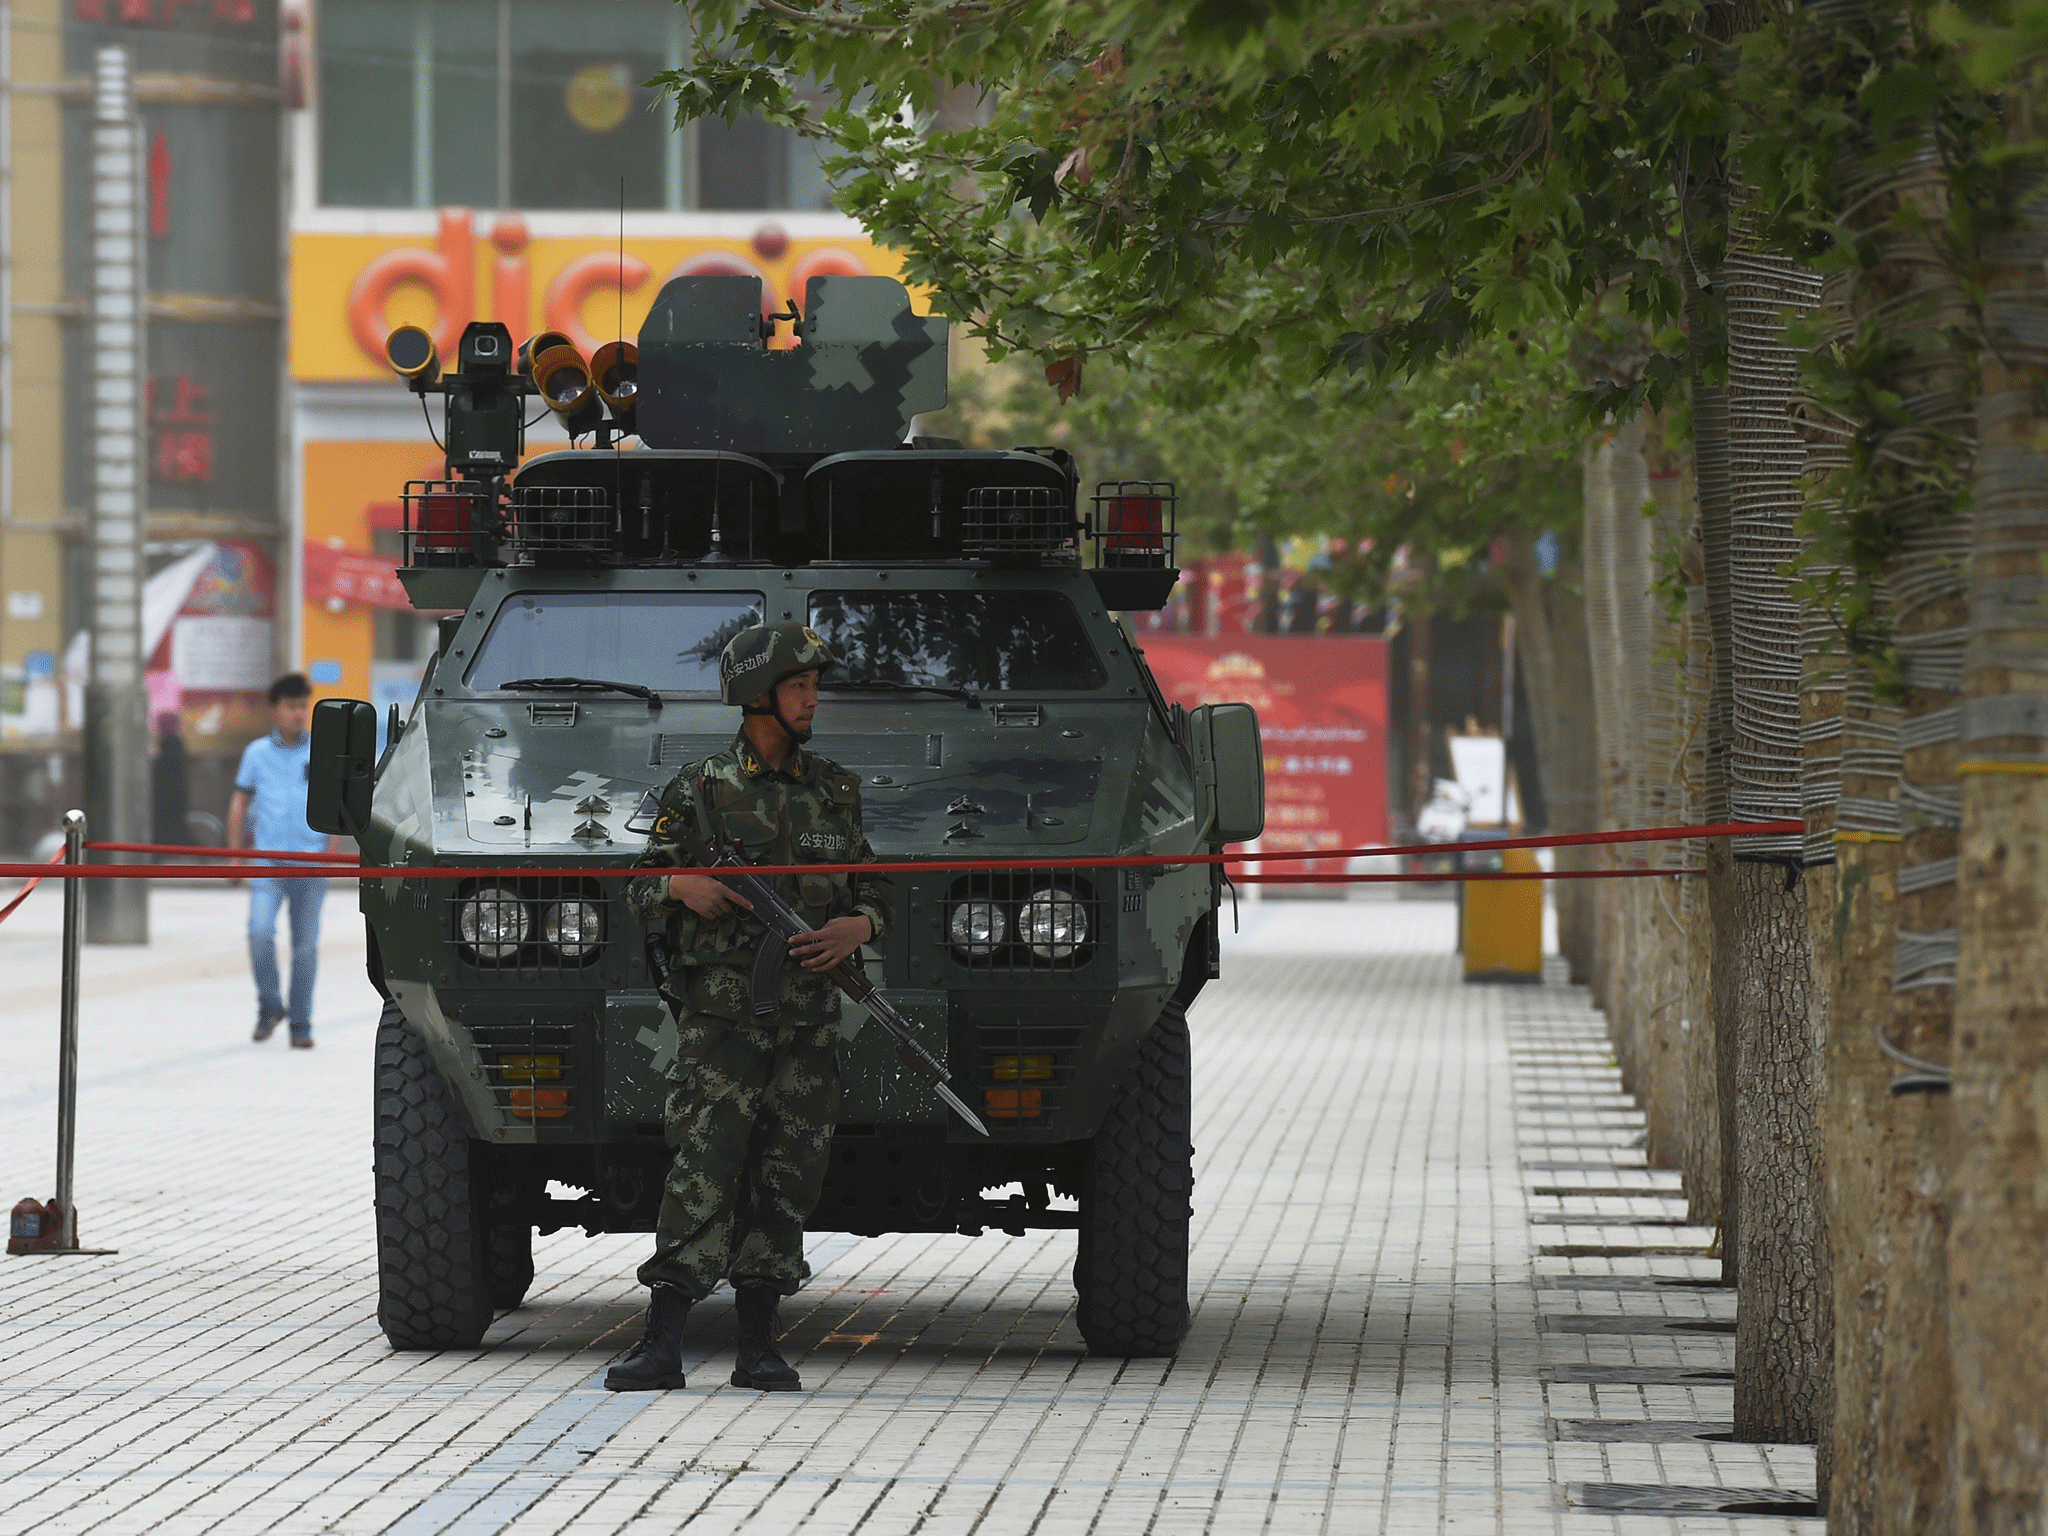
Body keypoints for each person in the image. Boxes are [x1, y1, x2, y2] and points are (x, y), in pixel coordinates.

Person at [606, 622, 891, 1394]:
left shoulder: (835, 790)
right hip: (722, 1023)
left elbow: (877, 886)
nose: (813, 699)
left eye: (813, 686)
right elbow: (635, 882)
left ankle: (759, 1346)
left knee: (787, 1174)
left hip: (808, 1024)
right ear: (757, 696)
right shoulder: (699, 790)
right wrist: (677, 887)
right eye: (800, 687)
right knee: (703, 1167)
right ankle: (662, 1342)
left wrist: (858, 926)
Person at [228, 673, 338, 1048]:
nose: (298, 713)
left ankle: (301, 1024)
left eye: (303, 706)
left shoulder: (321, 751)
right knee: (259, 933)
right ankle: (270, 1005)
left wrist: (331, 851)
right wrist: (234, 857)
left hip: (310, 864)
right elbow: (239, 802)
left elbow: (335, 803)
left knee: (305, 947)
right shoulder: (257, 753)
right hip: (267, 864)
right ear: (275, 710)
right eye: (291, 706)